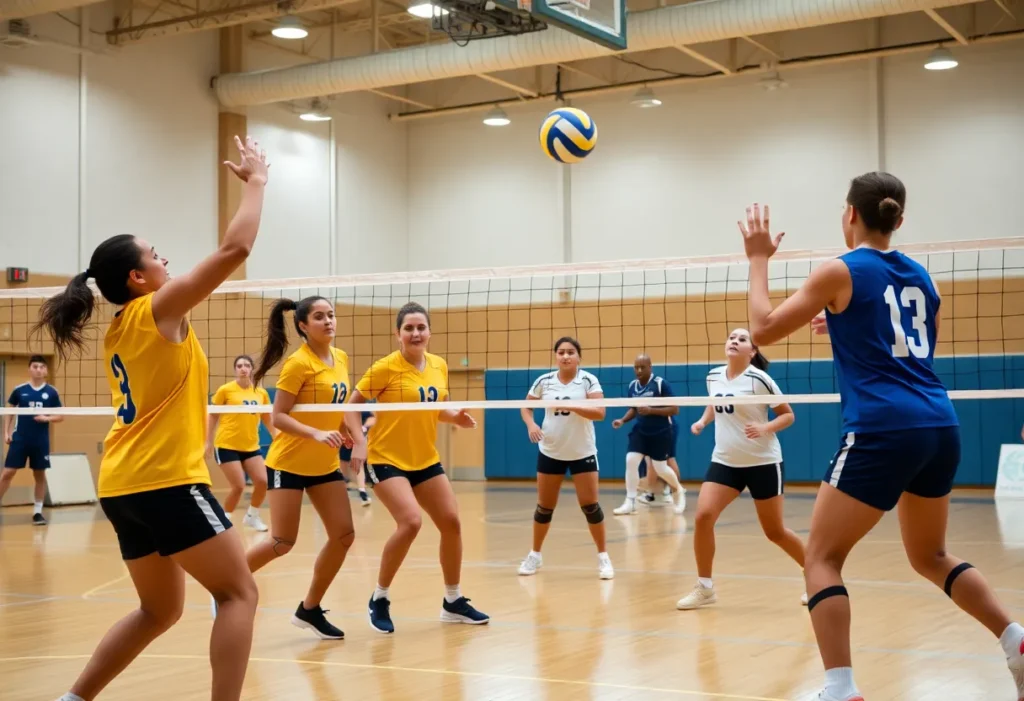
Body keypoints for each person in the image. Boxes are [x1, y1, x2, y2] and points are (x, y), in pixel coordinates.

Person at [738, 174, 1024, 701]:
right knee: (930, 556)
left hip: (881, 428)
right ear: (898, 218)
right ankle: (1016, 641)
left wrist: (758, 259)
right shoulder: (924, 278)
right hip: (939, 424)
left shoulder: (839, 270)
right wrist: (846, 324)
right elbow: (907, 347)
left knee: (820, 556)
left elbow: (762, 330)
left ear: (850, 215)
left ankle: (839, 688)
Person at [35, 135, 267, 701]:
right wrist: (258, 182)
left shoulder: (125, 325)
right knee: (239, 594)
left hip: (122, 485)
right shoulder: (155, 309)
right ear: (136, 278)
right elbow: (235, 250)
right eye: (155, 253)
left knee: (159, 611)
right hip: (164, 481)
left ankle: (72, 700)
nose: (165, 259)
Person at [347, 301, 488, 634]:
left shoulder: (438, 365)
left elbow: (435, 407)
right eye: (408, 328)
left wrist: (456, 417)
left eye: (420, 327)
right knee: (410, 522)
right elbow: (350, 409)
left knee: (451, 522)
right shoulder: (384, 368)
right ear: (398, 334)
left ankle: (453, 601)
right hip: (386, 459)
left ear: (429, 332)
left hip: (425, 458)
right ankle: (379, 598)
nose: (415, 333)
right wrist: (359, 441)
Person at [243, 295, 360, 640]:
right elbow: (278, 416)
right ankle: (228, 585)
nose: (328, 321)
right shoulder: (298, 364)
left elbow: (331, 407)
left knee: (344, 535)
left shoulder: (340, 358)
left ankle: (309, 609)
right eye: (320, 317)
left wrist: (343, 431)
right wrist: (316, 433)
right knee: (282, 541)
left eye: (331, 315)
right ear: (303, 326)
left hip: (323, 464)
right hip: (289, 463)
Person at [674, 328, 805, 610]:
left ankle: (817, 574)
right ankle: (705, 588)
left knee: (775, 532)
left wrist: (765, 427)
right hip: (726, 460)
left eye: (742, 339)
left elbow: (788, 415)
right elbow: (715, 403)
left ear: (752, 351)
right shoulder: (713, 376)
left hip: (763, 462)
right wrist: (702, 421)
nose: (734, 341)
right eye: (731, 337)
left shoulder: (760, 379)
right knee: (703, 516)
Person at [518, 337, 614, 580]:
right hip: (551, 450)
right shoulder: (544, 381)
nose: (565, 356)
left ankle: (603, 558)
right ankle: (535, 555)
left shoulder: (588, 380)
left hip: (582, 452)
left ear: (578, 357)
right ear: (556, 356)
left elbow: (600, 413)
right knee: (544, 508)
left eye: (570, 352)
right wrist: (531, 424)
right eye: (561, 352)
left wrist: (574, 406)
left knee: (591, 507)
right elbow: (525, 406)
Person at [611, 353, 686, 516]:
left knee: (661, 467)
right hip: (640, 431)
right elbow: (633, 408)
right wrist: (622, 420)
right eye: (636, 367)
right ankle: (630, 501)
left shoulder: (660, 384)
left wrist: (651, 410)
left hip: (661, 431)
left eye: (642, 367)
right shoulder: (632, 386)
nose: (638, 370)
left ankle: (678, 491)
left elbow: (675, 409)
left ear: (650, 367)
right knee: (631, 460)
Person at [207, 354, 273, 531]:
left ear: (252, 369)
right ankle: (223, 520)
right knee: (238, 486)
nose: (243, 368)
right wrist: (208, 441)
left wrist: (278, 436)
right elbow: (212, 416)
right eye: (239, 366)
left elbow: (267, 418)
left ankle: (252, 516)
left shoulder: (261, 393)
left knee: (262, 482)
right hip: (227, 445)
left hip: (251, 446)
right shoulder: (226, 390)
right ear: (235, 370)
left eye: (246, 365)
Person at [1, 355, 63, 525]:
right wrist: (6, 433)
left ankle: (37, 512)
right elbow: (9, 412)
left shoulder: (51, 392)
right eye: (35, 366)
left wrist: (47, 417)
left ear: (46, 371)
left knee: (39, 475)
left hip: (40, 441)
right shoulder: (19, 390)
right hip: (20, 439)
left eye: (42, 366)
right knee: (7, 473)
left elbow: (60, 416)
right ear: (29, 369)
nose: (38, 369)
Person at [340, 410, 374, 506]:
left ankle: (362, 492)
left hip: (357, 438)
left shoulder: (360, 407)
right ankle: (344, 484)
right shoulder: (341, 405)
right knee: (343, 463)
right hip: (343, 436)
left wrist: (363, 428)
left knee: (358, 464)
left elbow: (372, 418)